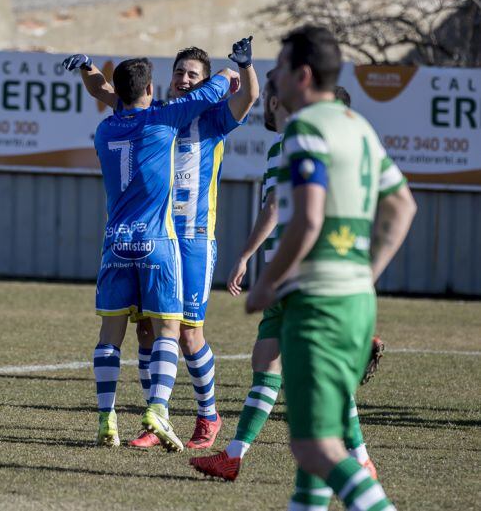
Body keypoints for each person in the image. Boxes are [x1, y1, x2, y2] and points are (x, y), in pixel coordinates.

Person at [249, 25, 415, 510]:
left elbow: (307, 219)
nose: (273, 78)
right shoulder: (358, 127)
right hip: (356, 302)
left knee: (313, 447)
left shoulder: (305, 129)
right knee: (313, 459)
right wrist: (366, 273)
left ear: (301, 75)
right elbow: (403, 205)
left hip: (317, 304)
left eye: (279, 68)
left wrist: (267, 281)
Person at [64, 38, 258, 449]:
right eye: (179, 72)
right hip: (158, 237)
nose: (184, 79)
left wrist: (244, 67)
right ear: (165, 80)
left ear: (205, 82)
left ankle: (208, 415)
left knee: (189, 334)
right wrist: (87, 67)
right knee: (147, 332)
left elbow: (251, 95)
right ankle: (156, 419)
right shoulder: (157, 114)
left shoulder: (215, 118)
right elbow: (108, 91)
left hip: (192, 235)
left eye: (193, 74)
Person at [191, 78, 385, 481]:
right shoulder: (300, 148)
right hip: (287, 276)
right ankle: (233, 455)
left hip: (299, 275)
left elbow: (276, 205)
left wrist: (245, 255)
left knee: (316, 375)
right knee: (266, 363)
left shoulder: (294, 145)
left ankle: (358, 458)